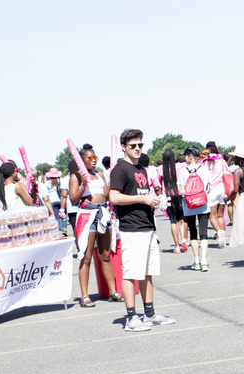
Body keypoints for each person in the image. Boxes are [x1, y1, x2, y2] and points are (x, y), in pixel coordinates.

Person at [109, 128, 175, 332]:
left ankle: (150, 313)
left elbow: (140, 195)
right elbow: (114, 197)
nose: (137, 149)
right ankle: (131, 318)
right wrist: (142, 198)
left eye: (140, 145)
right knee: (131, 273)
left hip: (147, 226)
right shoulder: (120, 169)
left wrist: (153, 202)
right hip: (132, 229)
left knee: (148, 272)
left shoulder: (141, 169)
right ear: (123, 147)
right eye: (133, 146)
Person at [70, 143, 123, 307]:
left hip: (102, 214)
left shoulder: (100, 174)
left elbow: (106, 196)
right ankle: (84, 296)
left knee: (105, 256)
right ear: (82, 160)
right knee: (86, 257)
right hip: (87, 215)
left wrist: (111, 182)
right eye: (90, 158)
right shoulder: (76, 176)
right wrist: (84, 185)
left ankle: (112, 291)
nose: (94, 161)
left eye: (95, 158)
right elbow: (73, 199)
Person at [177, 145, 212, 271]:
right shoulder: (204, 170)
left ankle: (196, 261)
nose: (185, 158)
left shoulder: (183, 171)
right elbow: (208, 188)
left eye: (186, 156)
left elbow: (181, 191)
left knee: (193, 233)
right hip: (203, 205)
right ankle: (204, 262)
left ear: (190, 157)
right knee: (204, 234)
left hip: (189, 205)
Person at [200, 142, 230, 247]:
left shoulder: (203, 162)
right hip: (222, 190)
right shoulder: (221, 160)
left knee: (212, 216)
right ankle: (222, 236)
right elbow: (227, 173)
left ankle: (219, 232)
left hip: (210, 191)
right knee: (220, 215)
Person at [160, 149, 187, 254]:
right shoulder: (180, 166)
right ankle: (183, 239)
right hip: (179, 194)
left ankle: (177, 247)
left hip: (168, 195)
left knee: (172, 221)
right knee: (181, 219)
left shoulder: (161, 169)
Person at [45, 168, 68, 234]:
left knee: (57, 217)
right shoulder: (61, 182)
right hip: (61, 201)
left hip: (52, 201)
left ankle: (59, 230)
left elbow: (46, 194)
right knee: (63, 215)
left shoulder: (47, 183)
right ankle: (64, 228)